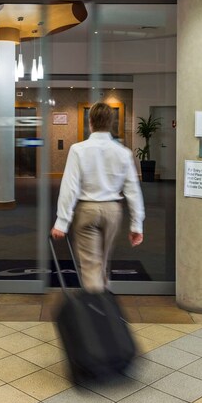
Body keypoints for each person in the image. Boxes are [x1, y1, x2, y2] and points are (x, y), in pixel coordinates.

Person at [51, 102, 145, 293]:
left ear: (90, 122)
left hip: (87, 211)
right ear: (111, 123)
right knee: (102, 263)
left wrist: (62, 222)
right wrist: (137, 225)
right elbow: (133, 191)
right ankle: (104, 304)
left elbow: (70, 187)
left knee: (91, 265)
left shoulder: (78, 149)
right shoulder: (123, 153)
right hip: (113, 211)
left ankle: (97, 313)